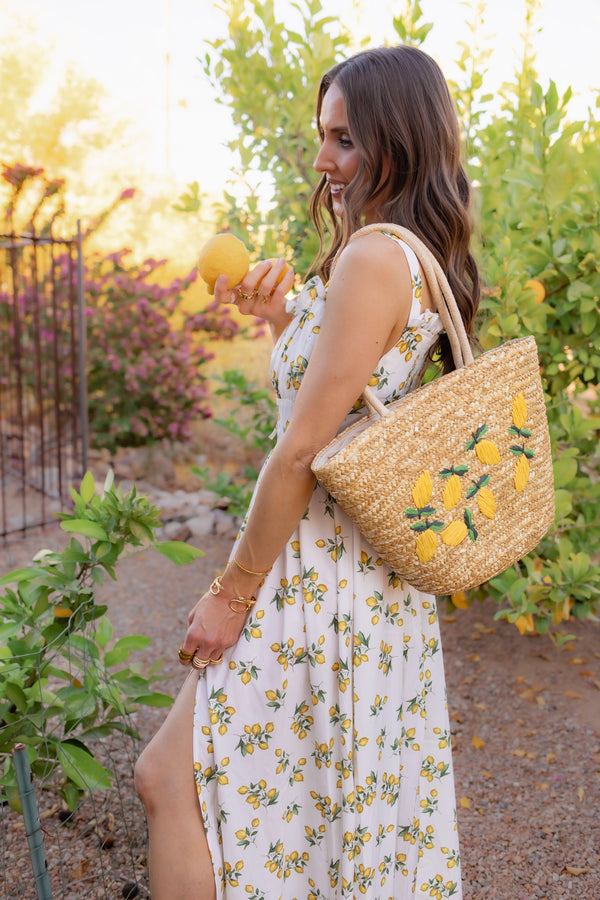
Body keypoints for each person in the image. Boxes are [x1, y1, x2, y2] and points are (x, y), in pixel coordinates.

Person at [135, 43, 479, 900]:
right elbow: (360, 390)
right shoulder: (408, 256)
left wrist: (232, 591)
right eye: (322, 136)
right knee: (316, 817)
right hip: (365, 588)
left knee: (169, 777)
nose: (323, 161)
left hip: (311, 577)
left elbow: (301, 449)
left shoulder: (373, 258)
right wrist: (284, 317)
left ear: (400, 139)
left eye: (346, 141)